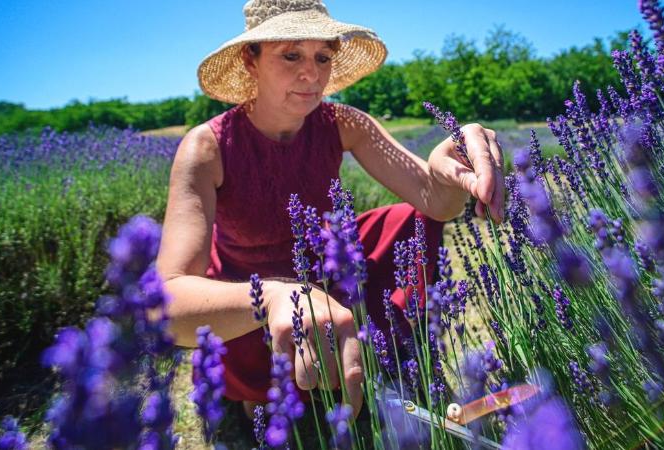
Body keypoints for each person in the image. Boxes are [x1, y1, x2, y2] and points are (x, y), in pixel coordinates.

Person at [156, 0, 506, 422]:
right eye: (291, 55)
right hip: (248, 305)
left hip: (327, 275)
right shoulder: (208, 146)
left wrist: (451, 166)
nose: (313, 73)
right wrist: (272, 297)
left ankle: (381, 353)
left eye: (323, 56)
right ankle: (267, 387)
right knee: (282, 394)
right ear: (250, 60)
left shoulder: (343, 122)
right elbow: (167, 303)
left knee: (408, 222)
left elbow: (435, 202)